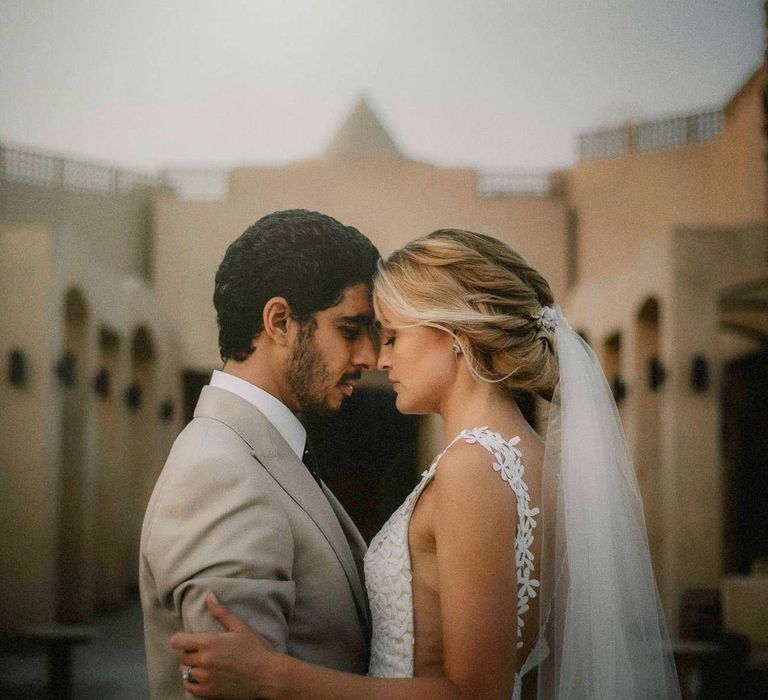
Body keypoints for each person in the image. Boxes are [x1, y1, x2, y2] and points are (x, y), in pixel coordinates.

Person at [171, 229, 681, 699]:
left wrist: (275, 676)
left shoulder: (473, 469)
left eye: (392, 336)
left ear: (455, 333)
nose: (379, 358)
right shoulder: (532, 458)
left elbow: (472, 692)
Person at [139, 209, 380, 699]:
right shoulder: (221, 474)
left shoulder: (259, 454)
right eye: (351, 330)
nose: (369, 358)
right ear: (280, 321)